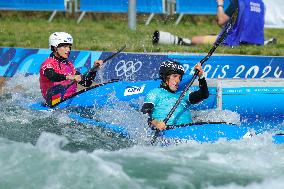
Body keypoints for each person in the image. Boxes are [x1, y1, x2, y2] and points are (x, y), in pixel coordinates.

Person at [141, 60, 209, 130]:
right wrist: (156, 123)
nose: (177, 80)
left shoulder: (183, 94)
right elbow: (143, 115)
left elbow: (204, 94)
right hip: (166, 133)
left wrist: (201, 77)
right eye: (174, 76)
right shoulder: (155, 93)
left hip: (189, 132)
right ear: (165, 77)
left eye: (179, 77)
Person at [39, 32, 104, 102]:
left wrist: (94, 70)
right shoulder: (48, 63)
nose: (68, 50)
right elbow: (52, 76)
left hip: (70, 101)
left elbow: (86, 83)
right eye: (64, 47)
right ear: (55, 48)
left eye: (69, 46)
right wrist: (68, 77)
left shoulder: (69, 65)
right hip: (53, 102)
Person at [180, 0, 275, 46]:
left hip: (238, 40)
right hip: (257, 40)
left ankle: (182, 41)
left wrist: (220, 4)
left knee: (194, 39)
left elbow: (221, 21)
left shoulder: (239, 2)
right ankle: (263, 42)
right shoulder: (260, 3)